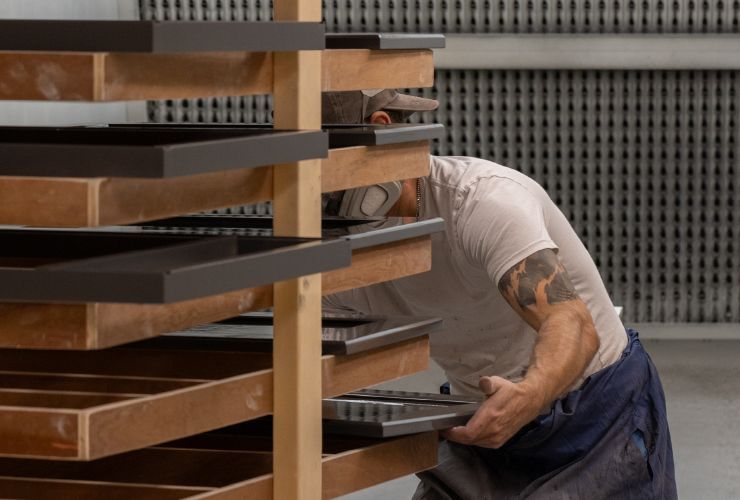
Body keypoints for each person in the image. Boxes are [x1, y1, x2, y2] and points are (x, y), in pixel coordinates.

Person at [321, 89, 677, 499]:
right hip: (478, 418)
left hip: (595, 411)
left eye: (319, 169)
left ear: (377, 132)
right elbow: (316, 380)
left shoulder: (480, 202)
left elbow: (572, 323)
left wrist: (529, 394)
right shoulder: (327, 254)